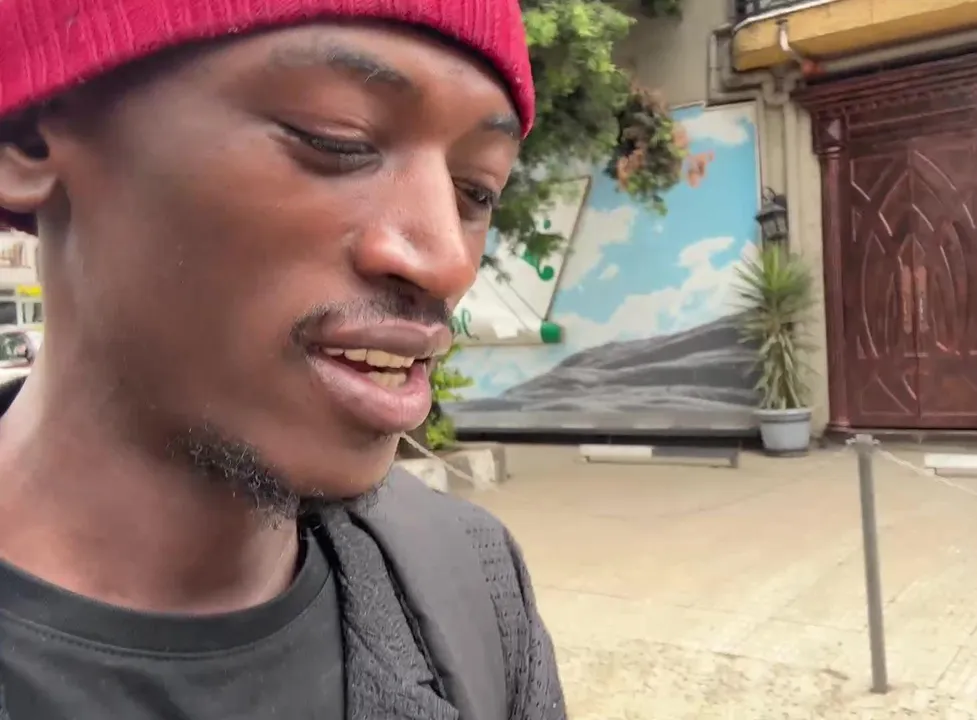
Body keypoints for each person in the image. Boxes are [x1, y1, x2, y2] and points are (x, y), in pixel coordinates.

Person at [0, 1, 564, 718]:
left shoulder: (475, 585)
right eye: (337, 138)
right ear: (28, 139)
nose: (449, 260)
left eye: (477, 191)